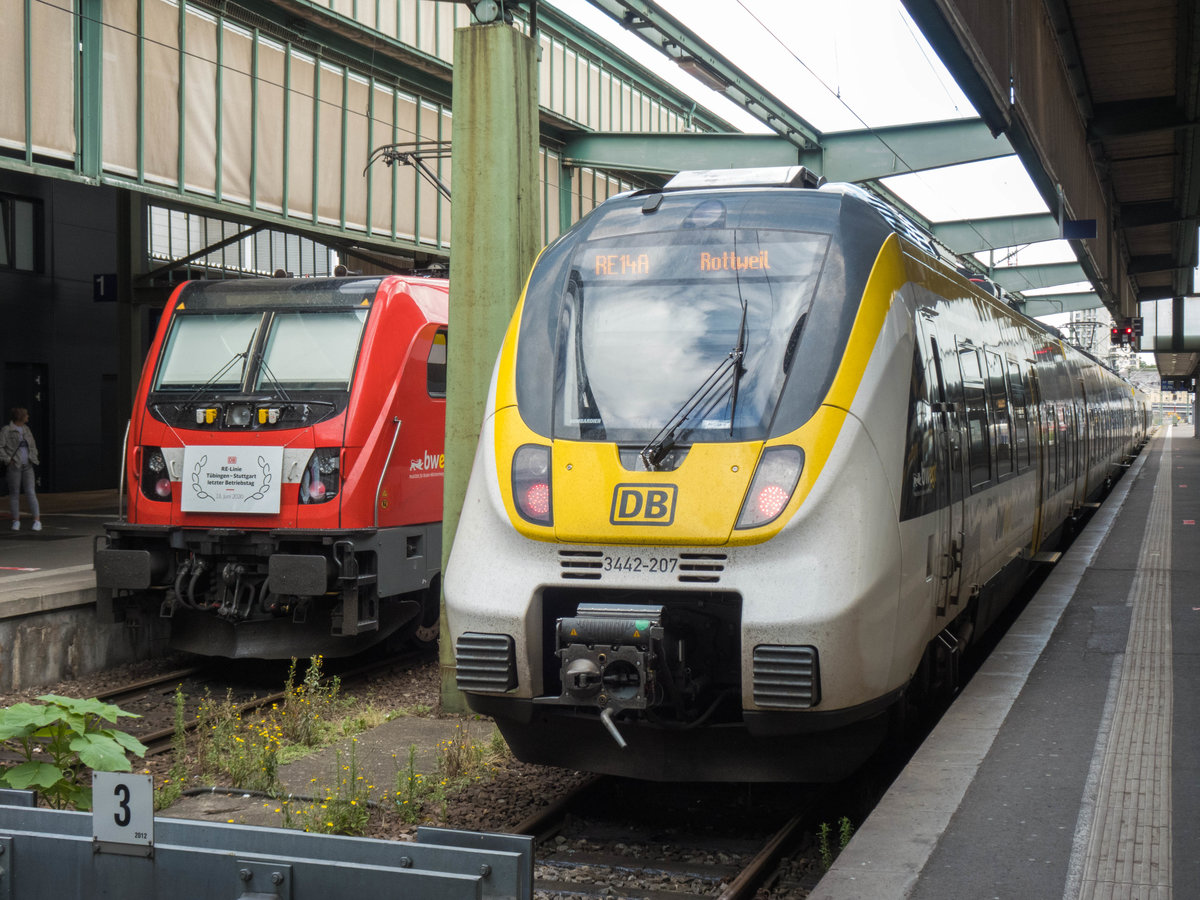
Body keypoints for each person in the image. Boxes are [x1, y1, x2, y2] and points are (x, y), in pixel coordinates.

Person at [2, 407, 41, 532]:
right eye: (26, 415)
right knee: (14, 493)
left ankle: (37, 521)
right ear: (20, 417)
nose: (28, 417)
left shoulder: (26, 429)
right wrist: (8, 459)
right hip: (14, 466)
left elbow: (33, 445)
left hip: (28, 465)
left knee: (31, 492)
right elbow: (0, 446)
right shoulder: (7, 430)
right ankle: (16, 521)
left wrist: (33, 457)